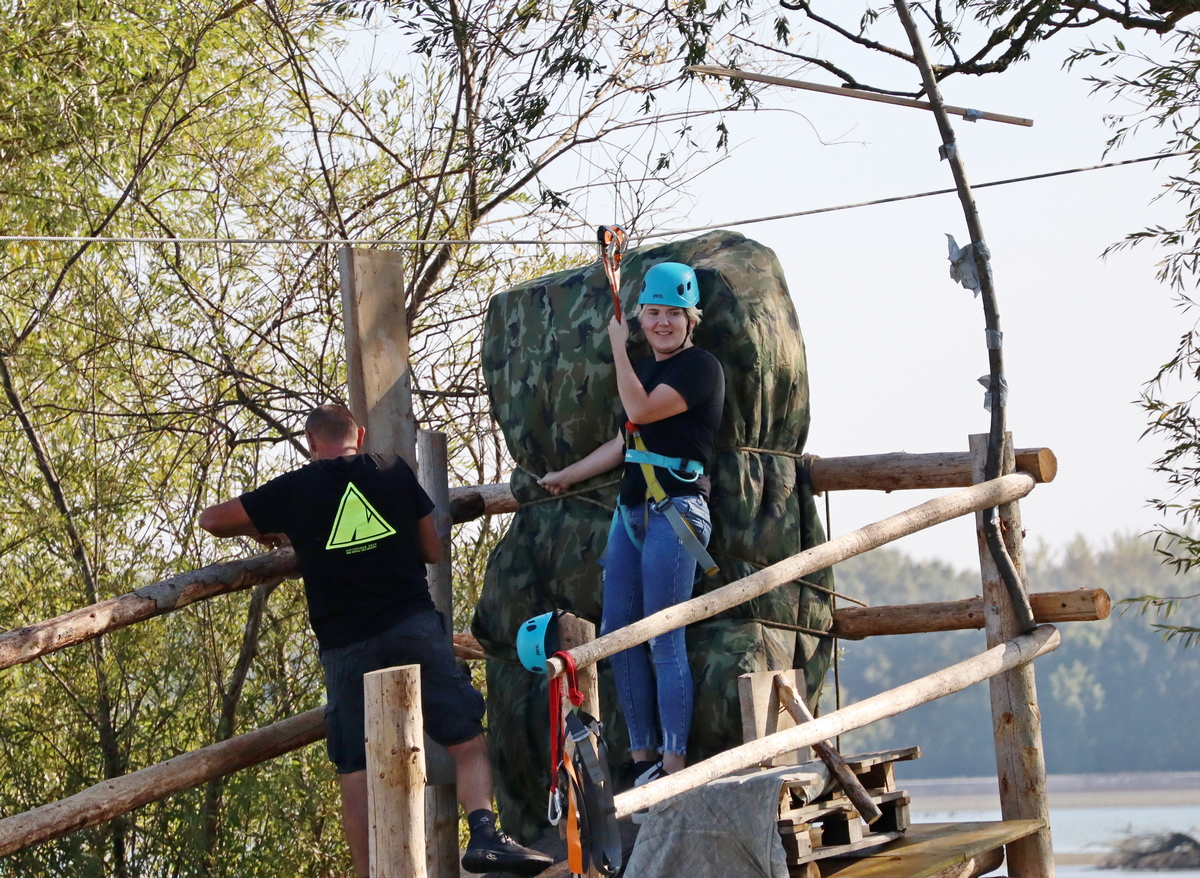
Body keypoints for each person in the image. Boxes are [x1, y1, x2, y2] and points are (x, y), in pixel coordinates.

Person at [199, 404, 551, 878]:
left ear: (310, 443)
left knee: (355, 767)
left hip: (345, 643)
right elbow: (432, 550)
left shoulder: (295, 488)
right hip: (413, 626)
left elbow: (212, 520)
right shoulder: (391, 470)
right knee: (466, 738)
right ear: (360, 435)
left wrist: (273, 526)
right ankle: (485, 834)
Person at [538, 262, 725, 786]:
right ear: (641, 316)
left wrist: (617, 346)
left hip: (676, 509)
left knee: (663, 636)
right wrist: (566, 476)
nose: (662, 322)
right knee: (619, 635)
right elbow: (625, 442)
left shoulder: (700, 368)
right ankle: (643, 761)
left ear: (690, 320)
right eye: (653, 313)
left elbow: (639, 412)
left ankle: (673, 765)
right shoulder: (643, 371)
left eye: (673, 314)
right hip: (632, 511)